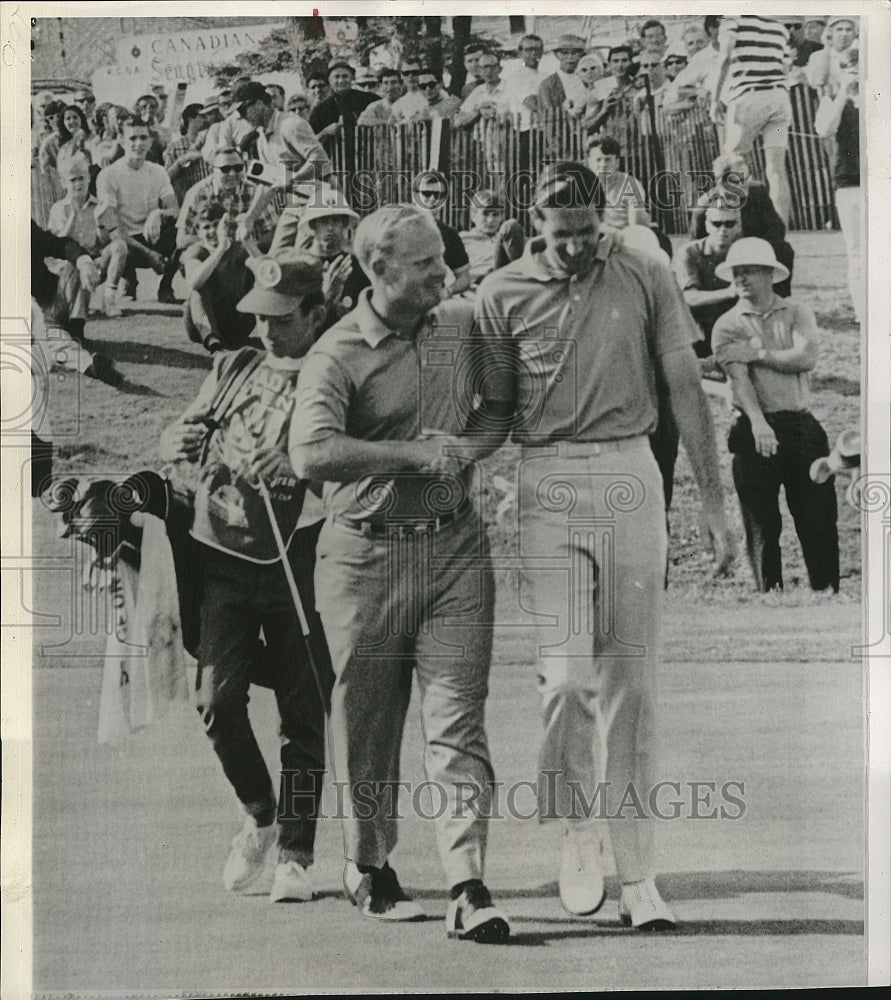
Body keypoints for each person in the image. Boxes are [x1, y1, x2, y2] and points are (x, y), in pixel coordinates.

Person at [473, 162, 732, 930]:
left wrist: (712, 502)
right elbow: (491, 412)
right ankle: (576, 827)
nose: (576, 249)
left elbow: (683, 382)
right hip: (545, 478)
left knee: (632, 684)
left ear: (601, 221)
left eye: (588, 233)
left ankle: (638, 869)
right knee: (563, 679)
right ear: (532, 226)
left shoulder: (644, 269)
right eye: (561, 237)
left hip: (628, 469)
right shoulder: (499, 293)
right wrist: (451, 463)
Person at [289, 204, 511, 942]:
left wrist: (465, 452)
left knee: (457, 719)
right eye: (422, 265)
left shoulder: (458, 325)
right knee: (369, 722)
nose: (441, 273)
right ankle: (367, 863)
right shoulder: (336, 352)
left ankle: (467, 881)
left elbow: (496, 409)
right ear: (376, 271)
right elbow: (312, 453)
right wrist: (412, 455)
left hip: (454, 549)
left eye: (441, 259)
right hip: (363, 556)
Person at [158, 250, 333, 903]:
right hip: (227, 556)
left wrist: (296, 461)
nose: (266, 330)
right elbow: (188, 428)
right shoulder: (235, 364)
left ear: (316, 313)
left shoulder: (333, 374)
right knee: (217, 702)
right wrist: (173, 437)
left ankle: (296, 852)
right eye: (259, 316)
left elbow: (352, 470)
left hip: (303, 556)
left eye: (281, 319)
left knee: (302, 710)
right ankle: (260, 814)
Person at [712, 238, 839, 594]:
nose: (741, 279)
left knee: (817, 513)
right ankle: (769, 592)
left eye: (749, 271)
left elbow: (806, 357)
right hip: (755, 425)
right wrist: (758, 422)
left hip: (800, 425)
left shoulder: (797, 312)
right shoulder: (727, 324)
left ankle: (826, 589)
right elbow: (739, 379)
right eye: (736, 272)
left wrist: (757, 352)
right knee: (761, 521)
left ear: (770, 274)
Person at [712, 15, 793, 225]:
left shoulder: (732, 20)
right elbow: (785, 66)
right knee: (776, 170)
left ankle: (731, 223)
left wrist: (715, 98)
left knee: (732, 163)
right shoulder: (778, 25)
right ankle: (780, 232)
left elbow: (725, 57)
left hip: (748, 98)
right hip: (779, 99)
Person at [95, 115, 181, 304]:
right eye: (133, 138)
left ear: (150, 141)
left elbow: (175, 210)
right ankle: (127, 280)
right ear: (122, 142)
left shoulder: (157, 171)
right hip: (126, 241)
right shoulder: (108, 175)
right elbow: (114, 230)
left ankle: (166, 286)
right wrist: (150, 256)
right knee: (118, 246)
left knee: (182, 232)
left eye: (143, 138)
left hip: (151, 236)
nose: (139, 144)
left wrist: (158, 213)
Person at [47, 153, 128, 318]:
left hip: (94, 262)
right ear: (63, 183)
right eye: (73, 180)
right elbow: (56, 245)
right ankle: (75, 304)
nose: (78, 184)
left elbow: (109, 241)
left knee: (119, 246)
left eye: (81, 178)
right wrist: (73, 216)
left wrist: (100, 224)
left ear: (89, 178)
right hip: (69, 267)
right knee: (75, 311)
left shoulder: (99, 205)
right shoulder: (58, 209)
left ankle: (109, 299)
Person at [814, 46, 861, 323]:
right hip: (849, 183)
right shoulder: (832, 98)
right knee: (856, 253)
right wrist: (845, 92)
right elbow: (825, 129)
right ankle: (862, 312)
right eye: (848, 68)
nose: (854, 72)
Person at [176, 146, 280, 255]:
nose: (232, 174)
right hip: (208, 254)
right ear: (211, 170)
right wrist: (218, 244)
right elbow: (181, 240)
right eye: (225, 169)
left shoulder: (253, 191)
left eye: (238, 168)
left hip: (241, 255)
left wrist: (250, 245)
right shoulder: (197, 194)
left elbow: (272, 232)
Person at [674, 191, 742, 357]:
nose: (722, 230)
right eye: (716, 224)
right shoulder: (689, 253)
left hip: (735, 326)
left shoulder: (744, 250)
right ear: (706, 225)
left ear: (738, 225)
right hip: (697, 328)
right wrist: (729, 292)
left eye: (729, 223)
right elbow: (689, 297)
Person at [181, 203, 255, 353]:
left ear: (225, 227)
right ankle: (212, 342)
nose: (212, 231)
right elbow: (194, 282)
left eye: (216, 225)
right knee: (198, 292)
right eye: (206, 227)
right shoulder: (196, 251)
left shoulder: (238, 249)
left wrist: (249, 241)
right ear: (199, 232)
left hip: (235, 319)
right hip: (202, 319)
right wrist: (220, 250)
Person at [236, 81, 332, 183]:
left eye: (243, 111)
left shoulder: (290, 124)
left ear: (259, 104)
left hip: (321, 194)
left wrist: (292, 180)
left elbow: (320, 160)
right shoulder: (261, 138)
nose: (242, 117)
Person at [410, 171, 472, 295]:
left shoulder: (449, 235)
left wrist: (447, 292)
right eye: (427, 194)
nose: (433, 199)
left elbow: (465, 278)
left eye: (438, 195)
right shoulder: (397, 228)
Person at [458, 189, 524, 287]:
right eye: (485, 214)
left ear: (501, 216)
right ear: (473, 215)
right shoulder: (461, 239)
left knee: (511, 226)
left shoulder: (508, 240)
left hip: (503, 281)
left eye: (495, 214)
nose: (490, 220)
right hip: (477, 283)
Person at [308, 62, 379, 149]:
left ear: (352, 78)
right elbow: (309, 142)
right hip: (334, 159)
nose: (341, 80)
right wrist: (325, 132)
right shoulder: (320, 110)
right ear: (330, 81)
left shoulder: (370, 99)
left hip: (367, 154)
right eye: (336, 77)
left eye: (345, 76)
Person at [806, 16, 857, 98]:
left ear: (855, 33)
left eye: (849, 30)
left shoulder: (860, 55)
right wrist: (827, 46)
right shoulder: (817, 56)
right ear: (830, 33)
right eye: (839, 29)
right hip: (831, 106)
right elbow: (818, 81)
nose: (844, 34)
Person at [537, 34, 588, 112]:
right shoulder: (548, 84)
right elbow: (547, 113)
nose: (570, 57)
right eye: (565, 53)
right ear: (556, 55)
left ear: (580, 54)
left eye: (574, 53)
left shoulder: (588, 77)